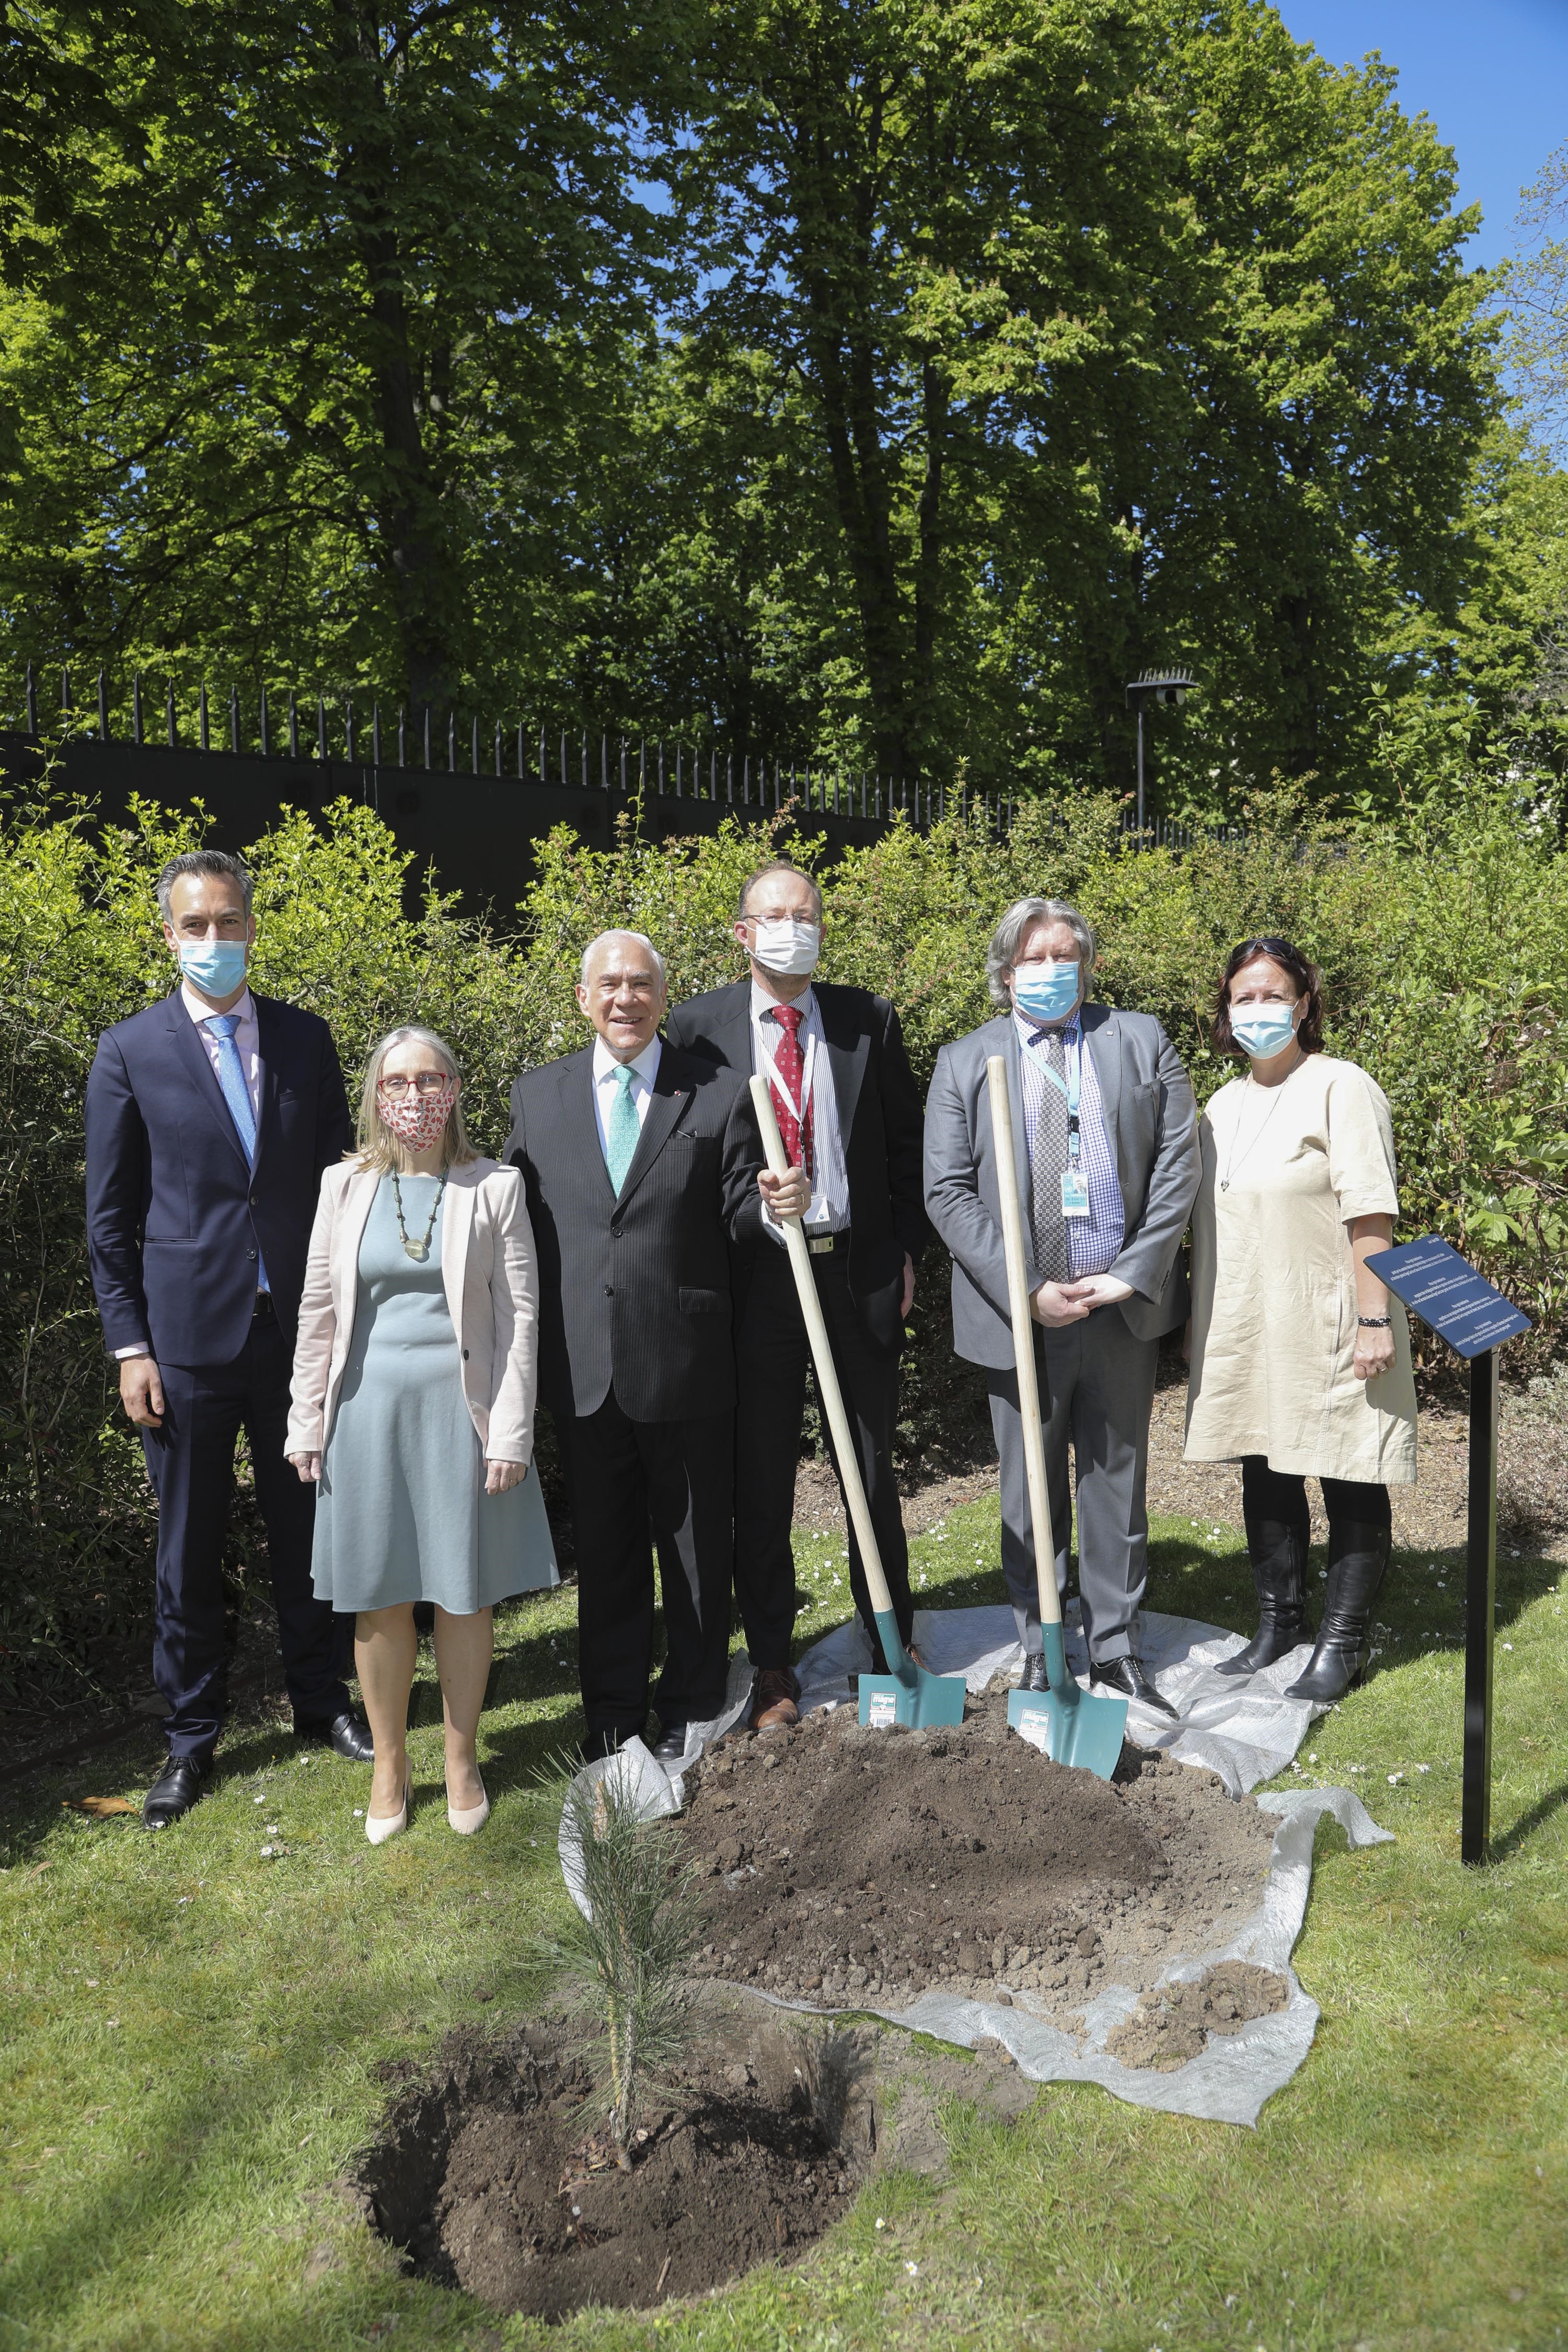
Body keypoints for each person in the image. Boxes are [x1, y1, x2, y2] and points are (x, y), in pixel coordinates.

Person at [85, 849, 371, 1829]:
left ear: (252, 925)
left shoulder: (304, 1039)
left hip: (297, 1334)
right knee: (189, 1547)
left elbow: (345, 1181)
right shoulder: (130, 1051)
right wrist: (131, 1346)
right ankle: (190, 1736)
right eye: (195, 926)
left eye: (229, 922)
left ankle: (322, 1702)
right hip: (186, 1345)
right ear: (169, 935)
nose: (214, 940)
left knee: (309, 1532)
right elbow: (110, 1219)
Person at [505, 931, 806, 1762]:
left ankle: (693, 1698)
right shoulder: (538, 1098)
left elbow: (742, 1214)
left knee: (695, 1546)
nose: (625, 999)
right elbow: (510, 1227)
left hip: (686, 1359)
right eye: (609, 985)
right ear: (582, 997)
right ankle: (610, 1714)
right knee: (604, 1554)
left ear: (663, 998)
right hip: (585, 1364)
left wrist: (780, 1202)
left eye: (641, 985)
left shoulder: (717, 1093)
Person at [666, 860, 928, 1724]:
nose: (793, 927)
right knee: (762, 1476)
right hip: (757, 1283)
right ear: (743, 932)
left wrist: (903, 1255)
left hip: (853, 1269)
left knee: (870, 1467)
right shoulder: (698, 1029)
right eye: (774, 915)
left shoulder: (865, 1021)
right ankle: (774, 1663)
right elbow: (692, 1161)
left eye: (806, 913)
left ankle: (894, 1638)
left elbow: (902, 1148)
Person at [924, 897, 1200, 1715]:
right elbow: (946, 1192)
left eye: (1064, 955)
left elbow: (1180, 1163)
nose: (1050, 971)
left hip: (1118, 1309)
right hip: (1022, 1317)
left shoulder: (1140, 1040)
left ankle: (1115, 1649)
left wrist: (1134, 1272)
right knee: (1029, 1488)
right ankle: (1045, 1641)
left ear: (1089, 963)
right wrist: (1026, 1288)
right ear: (1006, 972)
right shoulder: (965, 1060)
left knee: (1116, 1482)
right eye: (1033, 959)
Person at [285, 1027, 556, 1840]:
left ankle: (462, 1757)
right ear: (375, 1095)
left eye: (431, 1080)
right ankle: (391, 1762)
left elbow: (520, 1320)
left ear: (456, 1091)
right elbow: (318, 1313)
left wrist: (509, 1432)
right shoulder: (342, 1185)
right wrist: (307, 1421)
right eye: (398, 1082)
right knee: (377, 1599)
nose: (415, 1096)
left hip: (459, 1419)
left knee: (461, 1594)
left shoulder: (494, 1187)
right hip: (365, 1418)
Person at [1185, 936, 1416, 1701]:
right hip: (1254, 1323)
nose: (1259, 1009)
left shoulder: (1340, 1087)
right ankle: (1278, 1623)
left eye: (1273, 994)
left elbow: (1371, 1207)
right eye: (1244, 997)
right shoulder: (1222, 1104)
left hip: (1334, 1316)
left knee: (1349, 1469)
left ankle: (1342, 1644)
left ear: (1305, 1002)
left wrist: (1373, 1318)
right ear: (1226, 1008)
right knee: (1267, 1465)